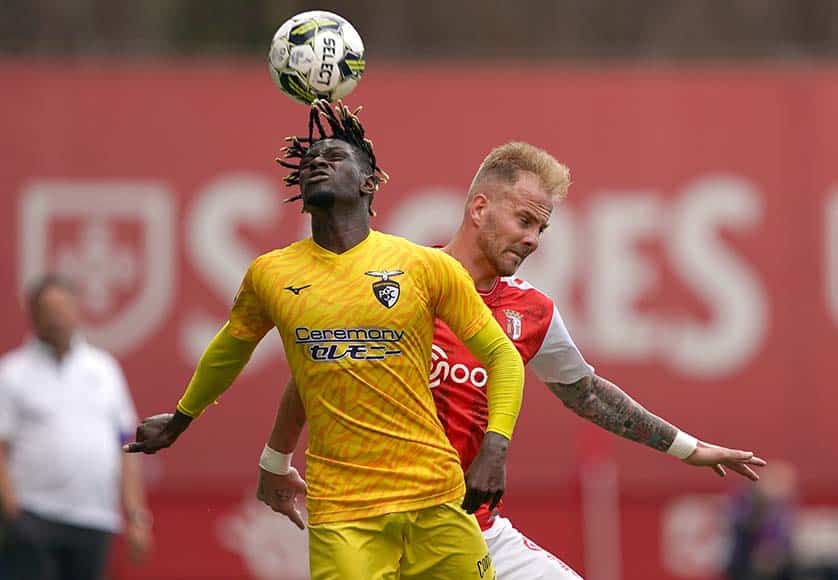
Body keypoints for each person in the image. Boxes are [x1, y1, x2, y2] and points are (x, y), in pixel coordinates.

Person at [260, 142, 767, 579]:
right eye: (524, 220)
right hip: (381, 529)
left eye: (541, 229)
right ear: (479, 207)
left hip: (472, 532)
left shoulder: (531, 311)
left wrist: (686, 448)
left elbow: (586, 392)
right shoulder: (396, 283)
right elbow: (312, 376)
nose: (532, 239)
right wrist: (275, 463)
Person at [124, 100, 528, 580]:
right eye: (310, 159)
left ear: (367, 183)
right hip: (343, 511)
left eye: (335, 157)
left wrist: (495, 448)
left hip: (435, 497)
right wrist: (182, 417)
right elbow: (230, 349)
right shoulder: (271, 273)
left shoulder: (425, 266)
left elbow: (504, 356)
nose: (317, 161)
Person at [0, 274, 152, 580]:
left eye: (63, 307)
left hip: (94, 518)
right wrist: (12, 510)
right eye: (47, 308)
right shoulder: (13, 372)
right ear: (33, 314)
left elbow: (126, 446)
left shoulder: (104, 369)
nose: (57, 316)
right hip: (34, 515)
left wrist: (136, 516)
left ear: (77, 310)